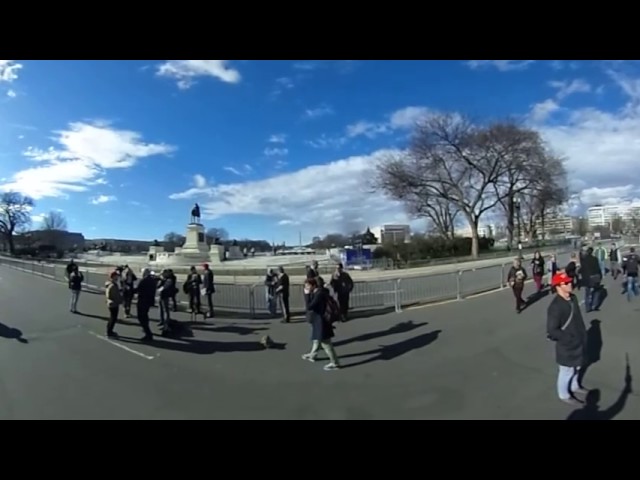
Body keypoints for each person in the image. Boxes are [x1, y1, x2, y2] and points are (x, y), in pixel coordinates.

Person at [546, 271, 588, 406]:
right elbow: (552, 330)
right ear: (558, 286)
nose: (571, 284)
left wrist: (582, 335)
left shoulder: (573, 298)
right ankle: (564, 394)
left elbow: (578, 319)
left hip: (579, 340)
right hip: (567, 345)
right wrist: (569, 338)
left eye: (570, 281)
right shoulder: (555, 306)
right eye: (567, 283)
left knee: (577, 366)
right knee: (566, 371)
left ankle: (575, 386)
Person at [302, 278, 340, 371]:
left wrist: (306, 295)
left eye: (308, 286)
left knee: (326, 343)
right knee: (317, 340)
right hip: (318, 321)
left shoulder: (319, 294)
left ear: (314, 285)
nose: (306, 288)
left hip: (321, 322)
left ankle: (334, 362)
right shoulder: (318, 292)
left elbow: (309, 306)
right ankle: (313, 354)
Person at [580, 247, 602, 312]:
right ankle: (594, 304)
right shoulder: (595, 259)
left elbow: (582, 269)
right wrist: (600, 276)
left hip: (587, 278)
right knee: (597, 291)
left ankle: (587, 307)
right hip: (595, 277)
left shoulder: (584, 260)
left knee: (587, 293)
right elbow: (598, 268)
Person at [105, 271, 123, 338]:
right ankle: (109, 332)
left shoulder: (111, 284)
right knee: (113, 318)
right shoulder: (112, 286)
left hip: (112, 303)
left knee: (112, 318)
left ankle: (109, 330)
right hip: (113, 304)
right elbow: (115, 296)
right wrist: (120, 300)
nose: (117, 277)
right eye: (116, 276)